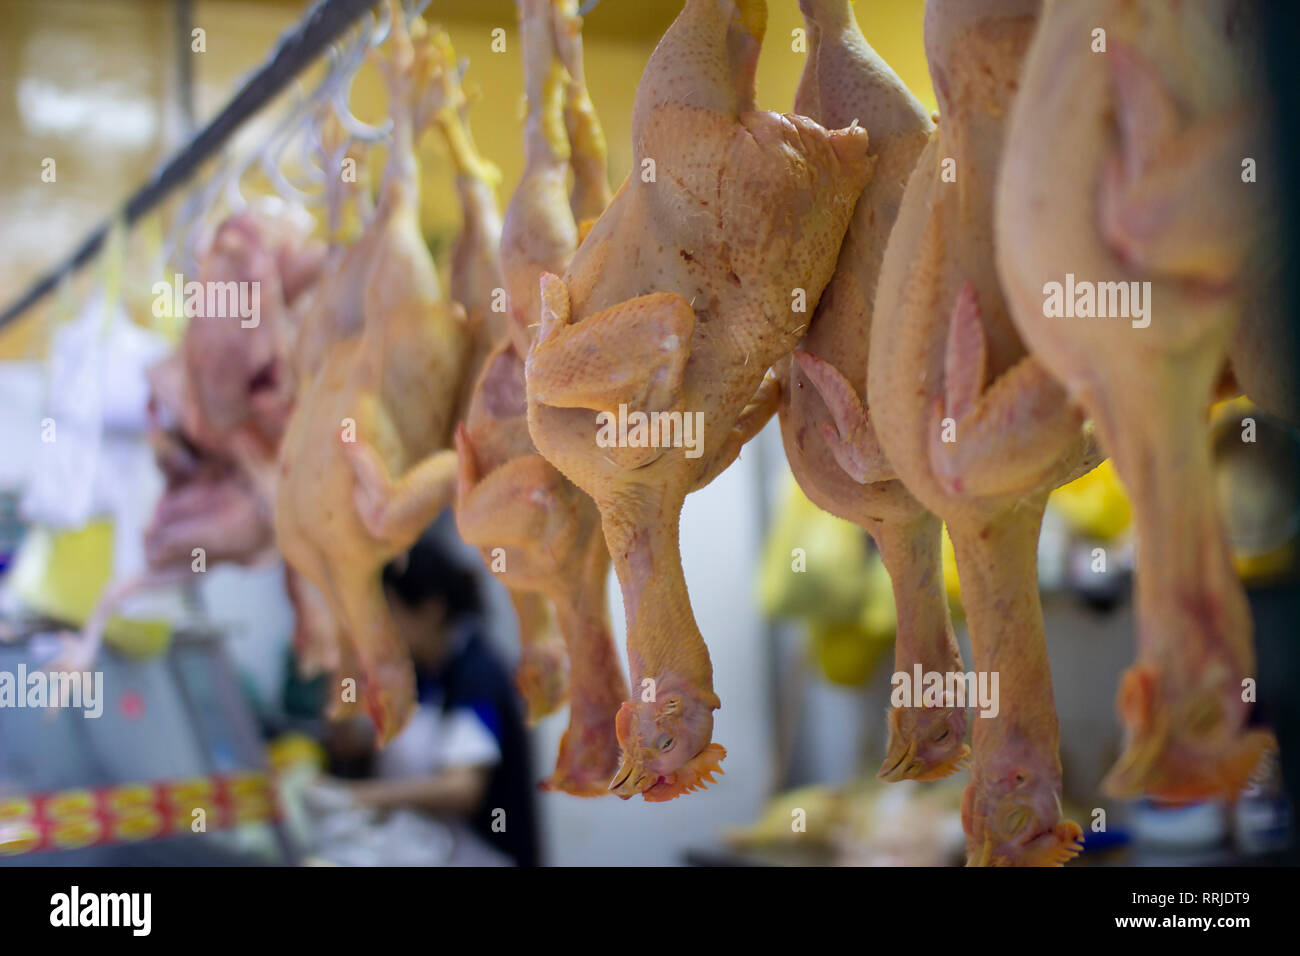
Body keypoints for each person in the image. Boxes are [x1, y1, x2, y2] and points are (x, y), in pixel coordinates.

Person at [328, 526, 540, 867]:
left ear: (431, 608)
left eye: (389, 613)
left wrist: (359, 798)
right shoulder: (416, 672)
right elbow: (351, 742)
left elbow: (463, 789)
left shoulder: (475, 673)